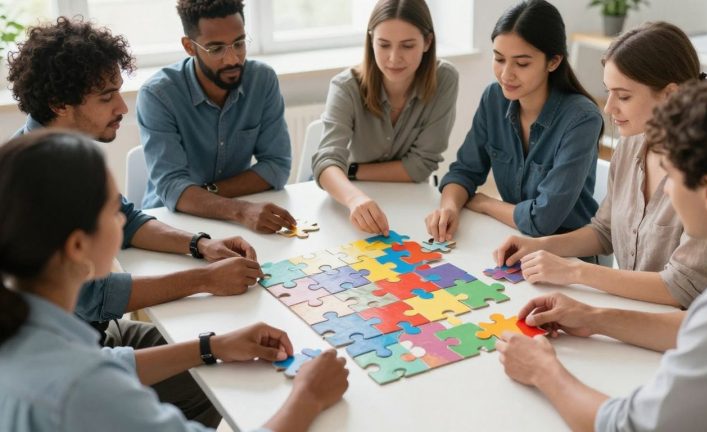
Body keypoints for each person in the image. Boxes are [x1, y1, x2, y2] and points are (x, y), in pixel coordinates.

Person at [0, 130, 349, 432]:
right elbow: (91, 380)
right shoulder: (82, 387)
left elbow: (105, 363)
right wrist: (309, 396)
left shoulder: (24, 326)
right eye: (112, 212)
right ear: (77, 247)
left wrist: (212, 346)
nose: (122, 222)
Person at [7, 17, 263, 426]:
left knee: (216, 344)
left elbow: (127, 217)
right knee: (222, 384)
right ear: (60, 104)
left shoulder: (62, 153)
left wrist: (201, 245)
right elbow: (91, 297)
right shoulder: (43, 177)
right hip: (84, 350)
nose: (123, 108)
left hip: (97, 337)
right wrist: (204, 280)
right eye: (107, 97)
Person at [495, 74, 707, 432]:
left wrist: (543, 371)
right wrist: (593, 316)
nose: (667, 191)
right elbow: (706, 327)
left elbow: (627, 426)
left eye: (671, 175)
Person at [493, 22, 707, 307]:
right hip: (627, 310)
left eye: (623, 96)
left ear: (670, 95)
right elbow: (605, 231)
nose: (608, 107)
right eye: (608, 92)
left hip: (680, 326)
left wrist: (575, 271)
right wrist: (540, 245)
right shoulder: (630, 144)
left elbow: (683, 286)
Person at [426, 0, 602, 241]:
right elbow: (464, 172)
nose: (506, 74)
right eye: (499, 59)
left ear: (553, 62)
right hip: (514, 237)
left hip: (566, 252)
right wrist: (449, 208)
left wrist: (486, 203)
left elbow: (543, 220)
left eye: (522, 63)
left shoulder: (582, 118)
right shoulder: (494, 98)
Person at [137, 0, 296, 234]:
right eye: (216, 49)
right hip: (171, 223)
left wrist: (205, 194)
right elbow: (172, 188)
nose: (233, 59)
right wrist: (241, 211)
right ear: (189, 47)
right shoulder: (158, 95)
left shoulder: (262, 80)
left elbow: (277, 166)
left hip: (234, 220)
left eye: (239, 43)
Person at [312, 0, 458, 235]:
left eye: (407, 46)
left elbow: (421, 166)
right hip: (349, 201)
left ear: (427, 42)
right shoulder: (345, 86)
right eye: (384, 44)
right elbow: (325, 162)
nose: (393, 58)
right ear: (371, 40)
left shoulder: (445, 79)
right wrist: (354, 198)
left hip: (411, 202)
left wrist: (350, 170)